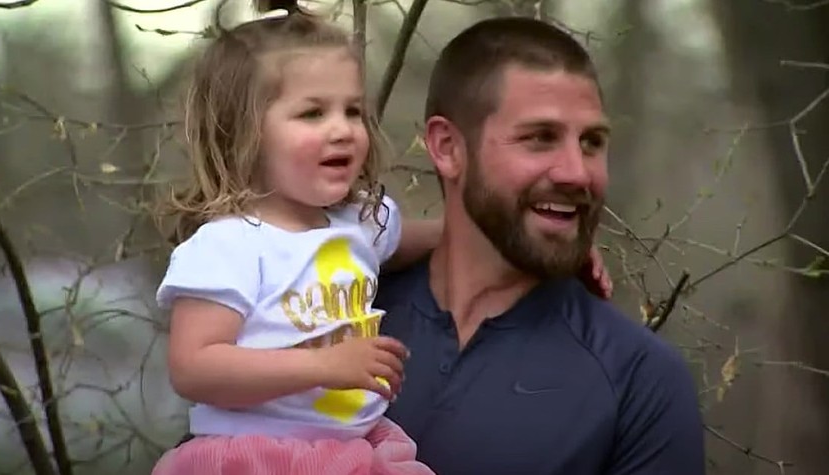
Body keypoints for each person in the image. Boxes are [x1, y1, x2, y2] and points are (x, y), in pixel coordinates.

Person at [149, 3, 614, 474]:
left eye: (352, 110)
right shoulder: (228, 245)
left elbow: (443, 239)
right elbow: (195, 368)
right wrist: (324, 367)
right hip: (258, 458)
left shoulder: (357, 224)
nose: (343, 130)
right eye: (312, 113)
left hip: (353, 453)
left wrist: (547, 245)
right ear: (244, 133)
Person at [374, 16, 707, 475]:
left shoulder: (638, 382)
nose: (577, 172)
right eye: (540, 138)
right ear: (448, 147)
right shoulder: (327, 313)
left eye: (591, 142)